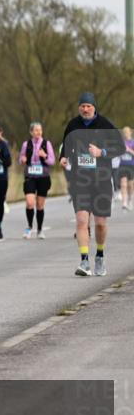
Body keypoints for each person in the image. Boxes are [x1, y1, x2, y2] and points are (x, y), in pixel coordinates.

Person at [59, 93, 124, 277]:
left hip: (102, 180)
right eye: (82, 106)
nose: (85, 109)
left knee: (101, 224)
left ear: (94, 107)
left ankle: (100, 256)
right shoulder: (73, 125)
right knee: (81, 220)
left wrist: (101, 151)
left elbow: (120, 148)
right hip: (80, 180)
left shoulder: (106, 125)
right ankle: (84, 261)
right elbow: (66, 144)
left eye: (88, 106)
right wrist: (63, 157)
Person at [19, 121, 55, 239]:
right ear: (31, 132)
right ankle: (29, 227)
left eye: (40, 130)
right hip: (30, 176)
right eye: (36, 130)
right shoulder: (26, 144)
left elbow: (52, 161)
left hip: (43, 177)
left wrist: (44, 156)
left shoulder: (46, 143)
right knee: (30, 202)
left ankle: (39, 230)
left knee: (39, 205)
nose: (38, 132)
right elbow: (21, 160)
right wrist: (22, 160)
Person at [120, 126, 134, 211]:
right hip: (122, 165)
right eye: (124, 132)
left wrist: (128, 150)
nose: (126, 134)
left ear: (130, 132)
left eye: (127, 132)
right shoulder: (121, 142)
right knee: (123, 184)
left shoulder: (132, 142)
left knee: (130, 185)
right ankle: (124, 202)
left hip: (131, 165)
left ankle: (130, 199)